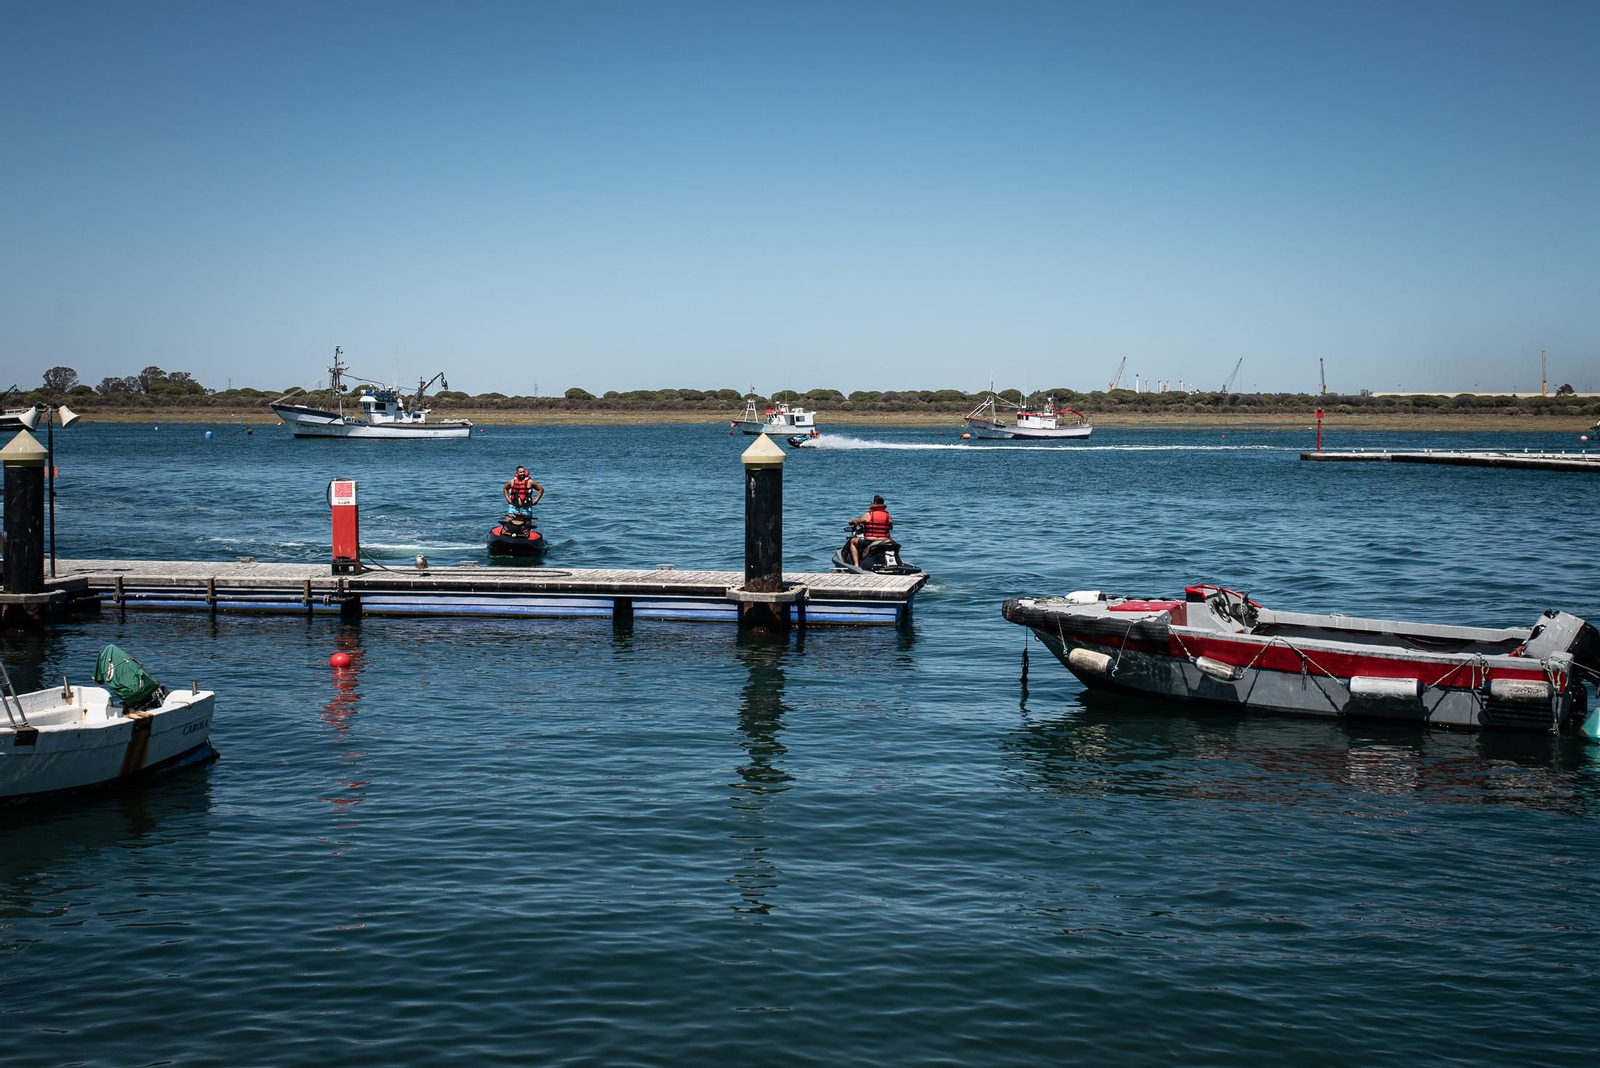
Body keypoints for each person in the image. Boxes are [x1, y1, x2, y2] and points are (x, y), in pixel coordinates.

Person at [847, 494, 893, 567]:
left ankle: (856, 565)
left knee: (853, 541)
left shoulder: (869, 514)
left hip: (870, 540)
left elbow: (858, 520)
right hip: (885, 540)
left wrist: (852, 521)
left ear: (874, 503)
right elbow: (890, 527)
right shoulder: (888, 515)